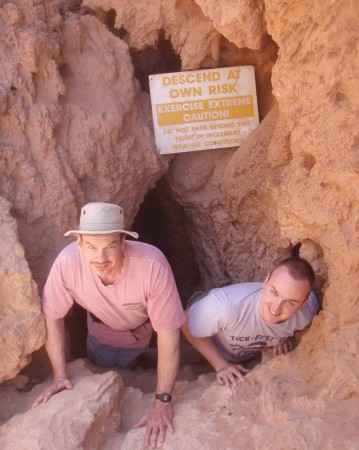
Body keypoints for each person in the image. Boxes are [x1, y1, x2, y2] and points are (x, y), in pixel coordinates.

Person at [32, 202, 185, 449]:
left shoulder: (152, 266)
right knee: (100, 362)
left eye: (110, 246)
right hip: (98, 336)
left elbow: (169, 335)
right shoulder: (67, 263)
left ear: (123, 242)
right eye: (91, 246)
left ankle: (141, 363)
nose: (100, 258)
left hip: (140, 338)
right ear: (79, 243)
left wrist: (162, 401)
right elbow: (53, 316)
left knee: (134, 365)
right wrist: (60, 375)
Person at [182, 257, 318, 388]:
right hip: (200, 341)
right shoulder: (226, 307)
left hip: (246, 357)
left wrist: (283, 338)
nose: (276, 307)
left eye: (290, 302)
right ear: (266, 281)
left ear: (303, 304)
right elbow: (185, 322)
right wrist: (220, 365)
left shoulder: (306, 314)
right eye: (274, 293)